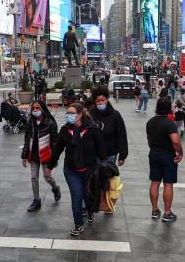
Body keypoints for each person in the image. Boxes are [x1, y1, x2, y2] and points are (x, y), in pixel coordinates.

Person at [47, 103, 105, 236]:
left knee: (88, 195)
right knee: (76, 196)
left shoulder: (92, 129)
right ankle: (78, 224)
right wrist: (49, 166)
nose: (69, 115)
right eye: (68, 113)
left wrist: (104, 166)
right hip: (71, 169)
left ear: (80, 114)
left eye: (71, 113)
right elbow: (57, 149)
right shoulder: (65, 130)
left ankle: (90, 211)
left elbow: (102, 151)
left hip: (89, 170)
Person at [146, 99, 183, 222]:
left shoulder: (150, 122)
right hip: (167, 156)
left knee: (155, 182)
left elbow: (149, 139)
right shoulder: (169, 123)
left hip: (154, 154)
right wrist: (180, 152)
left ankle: (155, 210)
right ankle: (167, 213)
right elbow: (175, 141)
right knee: (168, 184)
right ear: (168, 109)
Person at [22, 100, 62, 212]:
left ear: (43, 110)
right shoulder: (30, 122)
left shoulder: (50, 123)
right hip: (33, 155)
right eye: (33, 109)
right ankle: (36, 200)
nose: (35, 111)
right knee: (34, 177)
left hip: (46, 155)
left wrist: (54, 159)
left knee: (47, 177)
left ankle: (55, 188)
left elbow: (55, 143)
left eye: (37, 108)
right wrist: (24, 155)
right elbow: (26, 140)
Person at [91, 86, 129, 167]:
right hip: (93, 154)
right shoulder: (91, 114)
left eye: (102, 100)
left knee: (108, 178)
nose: (100, 103)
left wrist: (122, 155)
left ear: (107, 100)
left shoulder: (115, 115)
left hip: (110, 154)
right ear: (94, 101)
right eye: (98, 101)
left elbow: (121, 135)